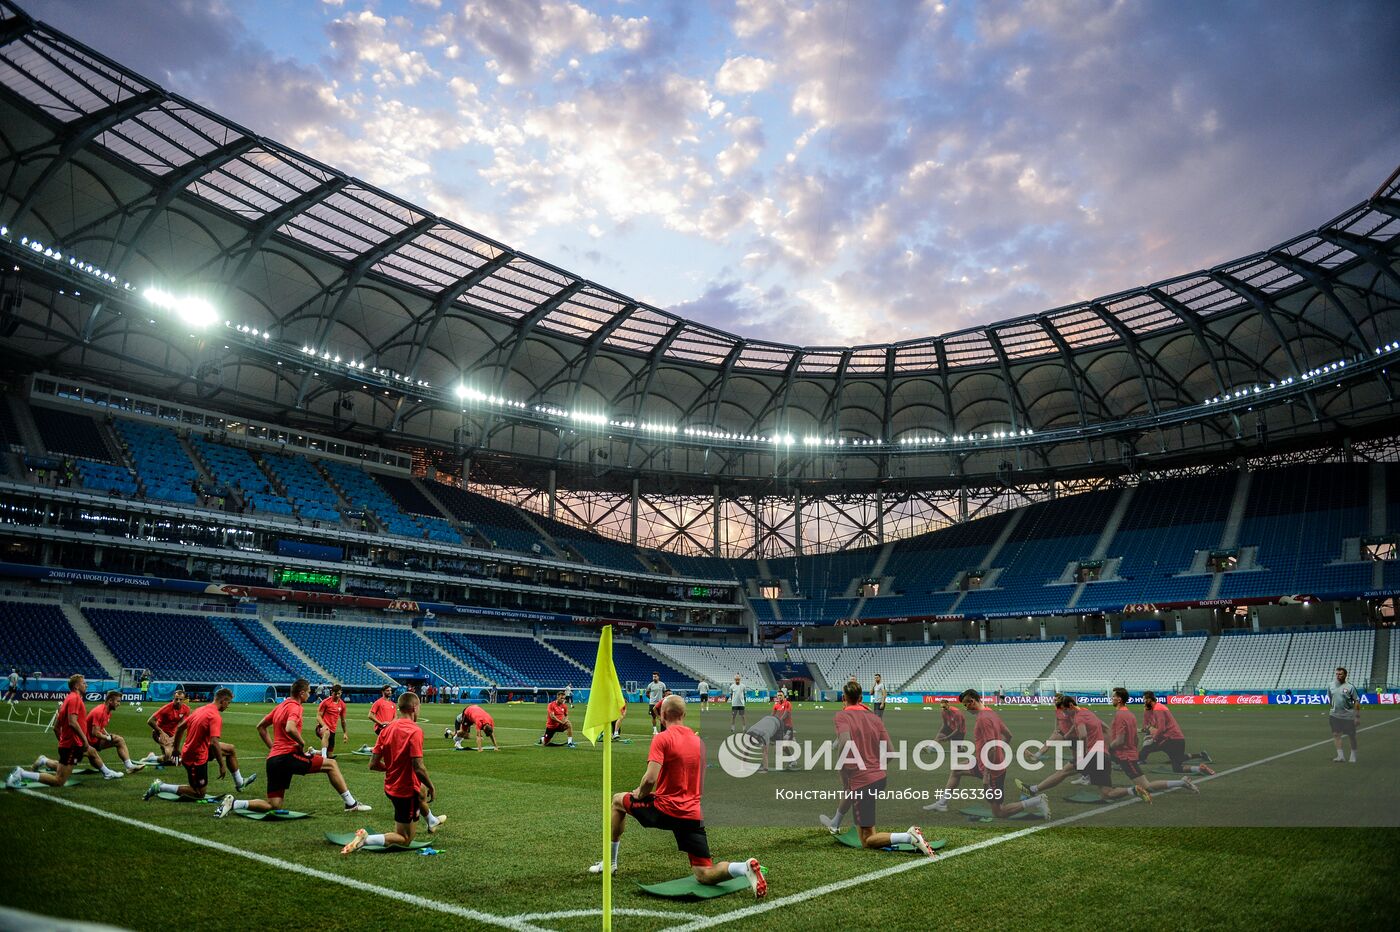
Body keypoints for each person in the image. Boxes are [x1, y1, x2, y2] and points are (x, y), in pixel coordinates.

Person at [589, 695, 768, 897]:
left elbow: (649, 780)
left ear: (663, 716)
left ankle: (610, 863)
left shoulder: (662, 738)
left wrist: (639, 794)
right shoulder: (699, 741)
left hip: (665, 809)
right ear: (684, 714)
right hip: (692, 814)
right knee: (704, 874)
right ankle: (743, 867)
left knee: (617, 801)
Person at [215, 678, 370, 818]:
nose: (310, 695)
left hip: (274, 759)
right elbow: (290, 727)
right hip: (287, 756)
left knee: (274, 805)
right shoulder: (296, 707)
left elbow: (261, 727)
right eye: (309, 692)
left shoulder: (281, 706)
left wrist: (273, 747)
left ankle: (234, 803)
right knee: (331, 764)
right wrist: (301, 743)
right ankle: (351, 804)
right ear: (301, 693)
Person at [815, 681, 939, 852]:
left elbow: (844, 742)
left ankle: (909, 836)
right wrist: (874, 768)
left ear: (844, 698)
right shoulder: (874, 717)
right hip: (879, 778)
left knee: (867, 840)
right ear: (861, 698)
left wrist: (842, 768)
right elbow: (890, 751)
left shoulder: (842, 716)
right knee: (853, 796)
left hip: (862, 781)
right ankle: (835, 823)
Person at [341, 691, 444, 853]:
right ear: (414, 708)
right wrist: (431, 785)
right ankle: (365, 840)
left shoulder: (386, 729)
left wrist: (392, 768)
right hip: (406, 791)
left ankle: (431, 820)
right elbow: (418, 766)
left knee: (421, 794)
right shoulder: (415, 731)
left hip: (391, 787)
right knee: (405, 839)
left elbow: (373, 764)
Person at [928, 689, 1050, 820]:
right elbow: (1009, 735)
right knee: (956, 769)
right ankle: (942, 803)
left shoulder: (983, 719)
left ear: (972, 701)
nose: (966, 708)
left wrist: (986, 774)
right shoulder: (990, 712)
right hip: (985, 762)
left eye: (966, 704)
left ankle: (1037, 801)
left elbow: (991, 747)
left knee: (999, 812)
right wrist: (1001, 751)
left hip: (992, 770)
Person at [144, 688, 255, 801]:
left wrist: (177, 750)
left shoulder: (200, 709)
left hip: (198, 748)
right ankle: (161, 786)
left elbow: (180, 728)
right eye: (229, 703)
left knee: (230, 749)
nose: (228, 706)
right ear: (223, 701)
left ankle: (240, 782)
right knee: (199, 793)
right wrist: (222, 765)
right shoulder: (215, 716)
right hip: (195, 757)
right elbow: (214, 743)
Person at [1105, 688, 1197, 802]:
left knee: (1146, 786)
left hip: (1125, 756)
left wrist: (1109, 748)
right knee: (1100, 762)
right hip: (1126, 754)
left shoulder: (1120, 715)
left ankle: (1181, 783)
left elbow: (1120, 740)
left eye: (1113, 696)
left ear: (1119, 699)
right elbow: (1136, 738)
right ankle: (1090, 776)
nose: (1111, 698)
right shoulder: (1129, 714)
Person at [8, 674, 89, 789]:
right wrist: (84, 740)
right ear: (76, 686)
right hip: (73, 744)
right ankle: (21, 773)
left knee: (63, 769)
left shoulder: (68, 699)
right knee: (59, 780)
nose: (86, 684)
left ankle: (43, 760)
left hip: (70, 744)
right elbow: (72, 722)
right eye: (83, 683)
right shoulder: (75, 698)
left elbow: (56, 727)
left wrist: (64, 742)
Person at [1140, 691, 1214, 774]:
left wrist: (1154, 738)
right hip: (1177, 739)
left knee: (1148, 747)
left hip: (1171, 739)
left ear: (1149, 700)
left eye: (1144, 700)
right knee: (1177, 762)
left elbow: (1161, 728)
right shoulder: (1158, 707)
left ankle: (1138, 760)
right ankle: (1200, 762)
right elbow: (1156, 726)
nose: (1143, 702)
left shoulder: (1157, 708)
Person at [81, 690, 144, 777]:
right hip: (85, 742)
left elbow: (101, 727)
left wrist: (107, 734)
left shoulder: (107, 711)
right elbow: (94, 733)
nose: (119, 704)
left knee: (119, 740)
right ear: (110, 701)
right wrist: (107, 738)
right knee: (68, 763)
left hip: (93, 741)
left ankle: (129, 766)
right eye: (118, 701)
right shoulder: (99, 712)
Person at [146, 690, 191, 765]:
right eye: (176, 699)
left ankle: (152, 757)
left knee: (173, 761)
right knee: (170, 756)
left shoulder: (186, 709)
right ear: (173, 698)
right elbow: (150, 721)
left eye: (180, 699)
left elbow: (181, 726)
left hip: (171, 735)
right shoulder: (166, 708)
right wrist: (160, 732)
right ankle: (162, 754)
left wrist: (174, 738)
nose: (178, 701)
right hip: (159, 734)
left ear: (184, 700)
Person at [1328, 666, 1361, 763]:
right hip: (1334, 715)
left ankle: (1353, 755)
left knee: (1351, 736)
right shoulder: (1331, 685)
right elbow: (1330, 698)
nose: (1338, 676)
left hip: (1348, 716)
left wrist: (1357, 716)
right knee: (1336, 734)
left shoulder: (1350, 687)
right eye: (1337, 674)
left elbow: (1357, 701)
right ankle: (1340, 756)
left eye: (1340, 674)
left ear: (1345, 675)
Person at [315, 684, 349, 759]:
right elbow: (318, 716)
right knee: (326, 732)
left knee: (329, 754)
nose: (337, 695)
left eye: (339, 693)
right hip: (321, 728)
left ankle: (313, 752)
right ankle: (324, 758)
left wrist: (345, 733)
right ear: (331, 692)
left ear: (341, 693)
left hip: (332, 730)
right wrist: (324, 725)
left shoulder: (342, 705)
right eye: (335, 693)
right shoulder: (325, 702)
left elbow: (343, 721)